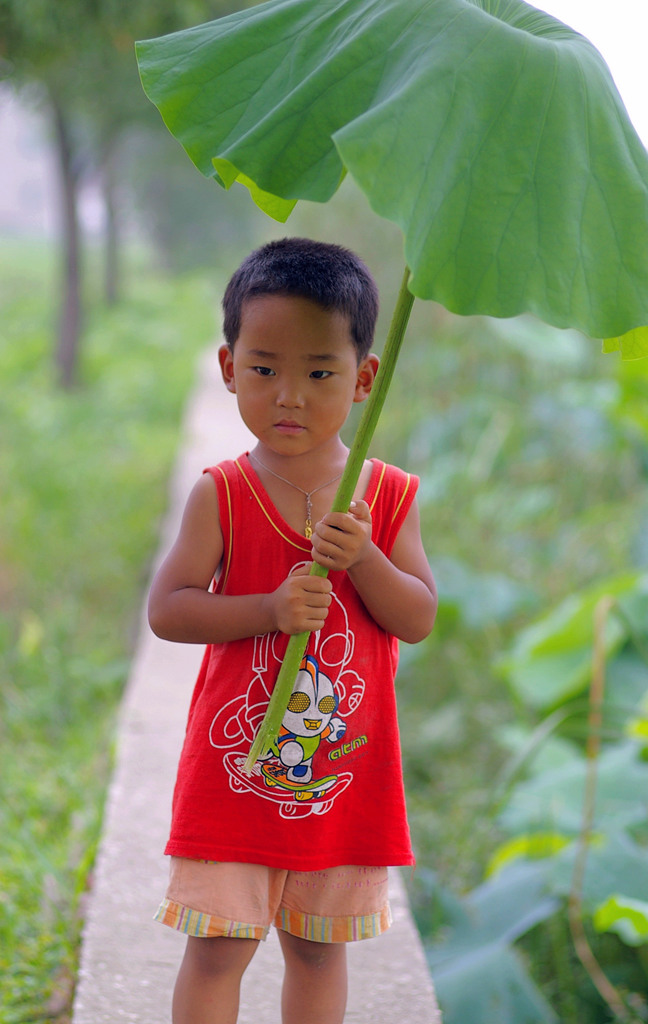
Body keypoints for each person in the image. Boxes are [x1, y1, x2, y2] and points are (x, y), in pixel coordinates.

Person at [148, 237, 437, 1024]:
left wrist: (366, 558)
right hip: (231, 773)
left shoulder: (387, 495)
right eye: (264, 367)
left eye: (319, 374)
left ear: (363, 379)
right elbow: (169, 608)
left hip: (341, 781)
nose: (289, 396)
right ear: (227, 366)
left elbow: (416, 617)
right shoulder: (224, 495)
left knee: (316, 947)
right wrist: (266, 610)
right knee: (217, 948)